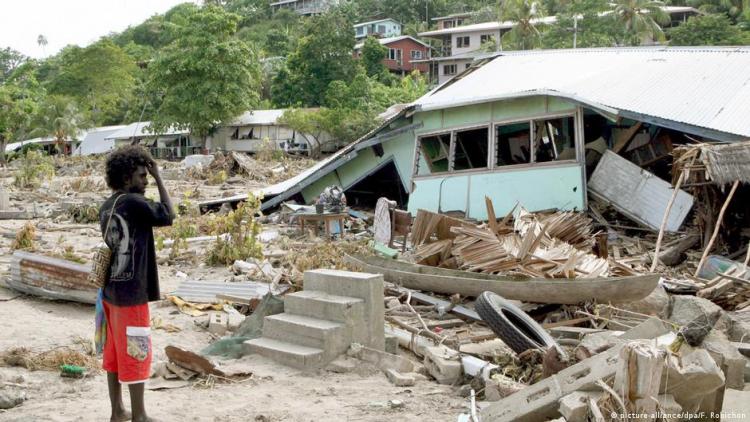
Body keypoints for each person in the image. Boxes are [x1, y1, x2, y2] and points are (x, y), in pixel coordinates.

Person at [99, 146, 175, 422]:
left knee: (115, 352)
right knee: (136, 351)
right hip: (132, 294)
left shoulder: (108, 205)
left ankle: (118, 411)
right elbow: (168, 214)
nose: (145, 180)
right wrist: (160, 178)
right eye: (142, 175)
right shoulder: (133, 203)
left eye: (147, 175)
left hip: (110, 293)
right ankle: (139, 416)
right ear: (126, 176)